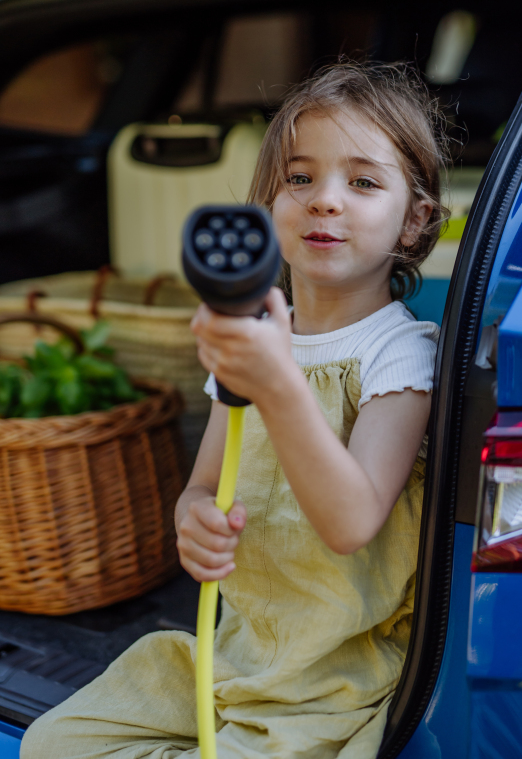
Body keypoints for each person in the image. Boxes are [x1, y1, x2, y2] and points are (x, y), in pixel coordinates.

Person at [20, 61, 449, 759]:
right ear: (263, 206)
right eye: (299, 178)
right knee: (53, 742)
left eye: (363, 182)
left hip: (333, 676)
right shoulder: (249, 338)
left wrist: (276, 381)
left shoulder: (399, 354)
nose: (325, 201)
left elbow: (351, 521)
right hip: (237, 651)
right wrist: (192, 524)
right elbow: (201, 486)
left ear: (415, 220)